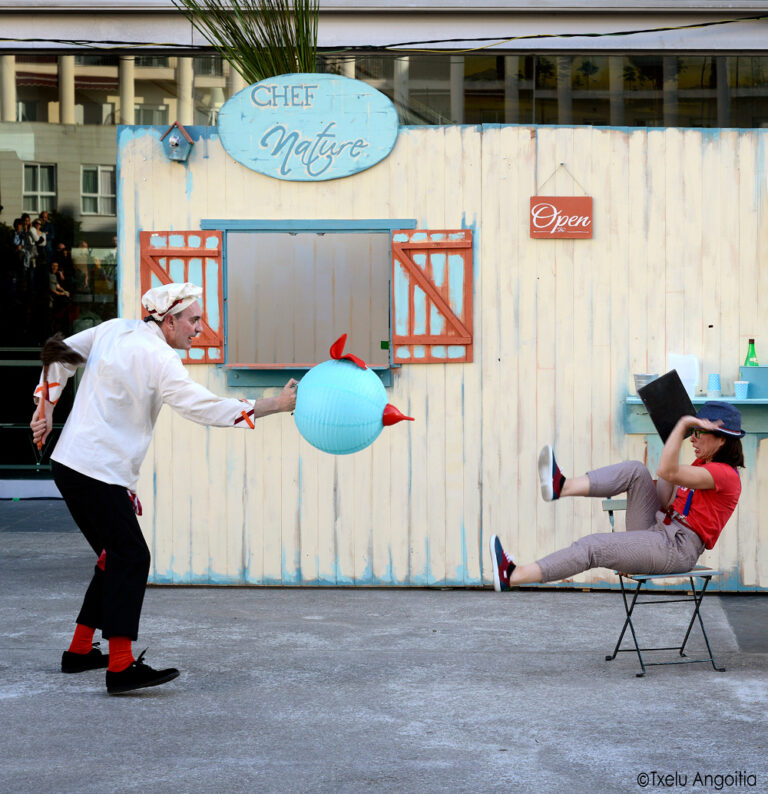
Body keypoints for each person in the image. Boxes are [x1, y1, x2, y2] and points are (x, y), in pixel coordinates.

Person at [30, 282, 298, 695]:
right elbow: (204, 406)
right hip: (94, 469)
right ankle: (120, 666)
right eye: (193, 320)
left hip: (73, 464)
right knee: (131, 556)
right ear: (168, 320)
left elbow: (57, 354)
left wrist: (44, 409)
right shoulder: (160, 358)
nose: (199, 329)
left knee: (113, 556)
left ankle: (80, 651)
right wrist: (275, 406)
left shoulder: (114, 329)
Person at [490, 402, 744, 591]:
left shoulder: (724, 475)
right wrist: (673, 434)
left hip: (676, 549)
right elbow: (666, 497)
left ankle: (512, 575)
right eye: (693, 432)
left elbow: (668, 470)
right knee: (636, 470)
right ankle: (562, 486)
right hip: (658, 530)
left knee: (593, 547)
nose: (693, 439)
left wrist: (682, 425)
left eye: (699, 433)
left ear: (721, 440)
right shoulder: (701, 465)